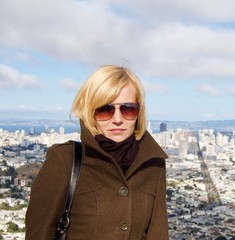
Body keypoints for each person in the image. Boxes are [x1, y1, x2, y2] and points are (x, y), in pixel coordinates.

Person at [25, 65, 169, 239]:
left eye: (128, 109)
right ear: (90, 112)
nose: (117, 119)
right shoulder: (65, 159)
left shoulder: (153, 164)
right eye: (105, 110)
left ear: (139, 112)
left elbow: (158, 234)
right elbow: (38, 233)